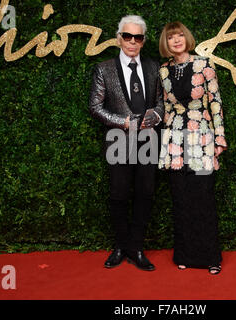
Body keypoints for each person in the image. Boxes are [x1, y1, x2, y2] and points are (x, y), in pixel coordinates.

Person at [89, 15, 164, 271]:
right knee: (119, 195)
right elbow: (95, 107)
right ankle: (121, 246)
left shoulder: (155, 68)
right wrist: (124, 122)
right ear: (119, 38)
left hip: (148, 140)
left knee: (145, 194)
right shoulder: (104, 69)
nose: (132, 41)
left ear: (143, 41)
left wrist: (155, 116)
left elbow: (161, 102)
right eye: (128, 36)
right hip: (118, 140)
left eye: (138, 37)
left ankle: (137, 248)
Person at [158, 21, 228, 275]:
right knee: (181, 199)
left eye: (179, 36)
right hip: (175, 141)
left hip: (202, 139)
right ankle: (184, 255)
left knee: (203, 197)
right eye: (171, 38)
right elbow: (166, 108)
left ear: (187, 38)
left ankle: (211, 258)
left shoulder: (204, 64)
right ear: (166, 44)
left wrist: (219, 139)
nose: (176, 40)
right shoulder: (164, 71)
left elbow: (215, 103)